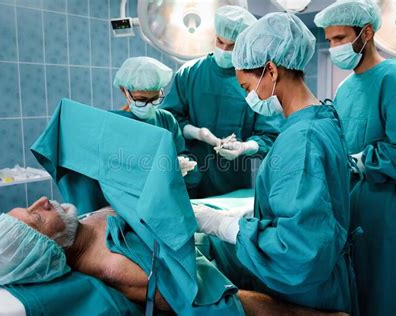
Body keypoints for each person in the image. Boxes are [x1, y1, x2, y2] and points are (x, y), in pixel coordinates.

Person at [192, 12, 357, 314]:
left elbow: (298, 249)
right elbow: (311, 204)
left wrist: (224, 226)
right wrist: (253, 212)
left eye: (246, 87)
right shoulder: (319, 118)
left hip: (305, 293)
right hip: (322, 279)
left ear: (270, 70)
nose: (247, 97)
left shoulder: (302, 140)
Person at [0, 197, 349, 316]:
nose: (42, 201)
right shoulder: (120, 267)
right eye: (38, 216)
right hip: (238, 256)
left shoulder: (81, 226)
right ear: (49, 249)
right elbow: (223, 305)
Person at [314, 1, 396, 315]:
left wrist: (364, 160)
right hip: (350, 206)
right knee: (357, 294)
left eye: (340, 38)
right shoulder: (344, 88)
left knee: (390, 295)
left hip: (388, 211)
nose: (334, 47)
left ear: (366, 33)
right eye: (329, 40)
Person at [161, 5, 280, 198]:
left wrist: (244, 147)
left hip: (233, 184)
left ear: (245, 46)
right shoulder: (189, 73)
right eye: (220, 41)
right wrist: (198, 133)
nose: (224, 49)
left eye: (232, 46)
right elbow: (168, 119)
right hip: (190, 179)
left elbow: (270, 134)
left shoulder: (255, 81)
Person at [112, 56, 201, 189]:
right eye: (141, 100)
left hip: (162, 196)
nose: (149, 105)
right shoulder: (113, 123)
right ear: (124, 91)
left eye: (155, 98)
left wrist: (184, 168)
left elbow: (191, 170)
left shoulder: (166, 120)